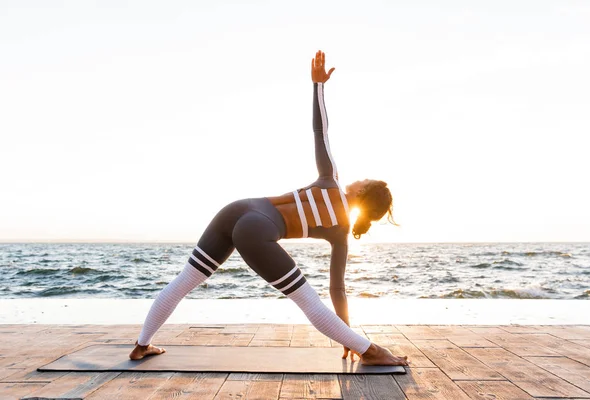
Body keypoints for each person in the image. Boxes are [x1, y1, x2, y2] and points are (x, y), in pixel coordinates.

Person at [129, 50, 408, 367]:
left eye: (366, 178)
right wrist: (346, 334)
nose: (361, 176)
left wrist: (318, 86)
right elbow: (337, 291)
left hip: (235, 210)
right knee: (308, 300)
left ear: (362, 190)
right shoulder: (340, 233)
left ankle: (142, 344)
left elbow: (321, 132)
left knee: (184, 281)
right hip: (254, 230)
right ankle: (367, 350)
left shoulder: (330, 179)